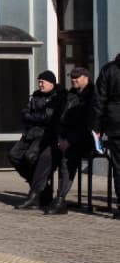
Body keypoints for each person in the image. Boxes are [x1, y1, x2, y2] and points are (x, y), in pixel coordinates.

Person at [10, 70, 65, 209]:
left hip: (45, 135)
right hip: (30, 133)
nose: (40, 84)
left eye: (43, 82)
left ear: (51, 83)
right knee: (13, 155)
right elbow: (25, 112)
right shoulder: (36, 95)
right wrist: (32, 116)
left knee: (30, 157)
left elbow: (48, 117)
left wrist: (32, 116)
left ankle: (35, 195)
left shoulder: (57, 97)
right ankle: (40, 186)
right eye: (39, 81)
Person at [44, 67, 95, 214]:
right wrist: (61, 138)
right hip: (66, 138)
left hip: (84, 140)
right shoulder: (70, 95)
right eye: (72, 77)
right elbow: (62, 118)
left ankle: (60, 200)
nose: (73, 79)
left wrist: (70, 141)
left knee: (67, 159)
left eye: (76, 77)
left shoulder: (93, 95)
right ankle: (41, 194)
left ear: (86, 77)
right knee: (45, 154)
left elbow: (88, 124)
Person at [93, 52, 120, 219]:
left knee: (119, 166)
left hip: (116, 124)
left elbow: (99, 101)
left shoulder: (108, 70)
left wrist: (97, 128)